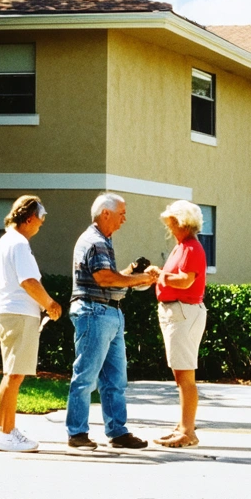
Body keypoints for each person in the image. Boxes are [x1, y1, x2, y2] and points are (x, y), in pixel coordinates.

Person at [66, 193, 159, 451]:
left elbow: (110, 277)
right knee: (86, 376)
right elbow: (105, 279)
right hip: (95, 312)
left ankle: (117, 431)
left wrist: (130, 272)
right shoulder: (96, 242)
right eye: (121, 214)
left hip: (107, 313)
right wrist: (140, 280)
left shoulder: (101, 241)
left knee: (115, 379)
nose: (124, 219)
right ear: (105, 214)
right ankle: (77, 433)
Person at [0, 195, 62, 452]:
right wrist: (50, 304)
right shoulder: (19, 244)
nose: (40, 226)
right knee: (14, 374)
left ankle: (6, 430)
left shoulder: (6, 241)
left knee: (12, 374)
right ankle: (6, 434)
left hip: (10, 312)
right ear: (29, 218)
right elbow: (29, 281)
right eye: (40, 221)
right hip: (18, 314)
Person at [151, 200, 208, 448]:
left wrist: (159, 274)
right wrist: (162, 275)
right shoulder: (183, 247)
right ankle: (184, 426)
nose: (168, 225)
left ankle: (187, 431)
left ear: (180, 222)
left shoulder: (191, 249)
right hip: (178, 313)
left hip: (183, 312)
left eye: (171, 220)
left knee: (185, 374)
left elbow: (185, 282)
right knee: (180, 373)